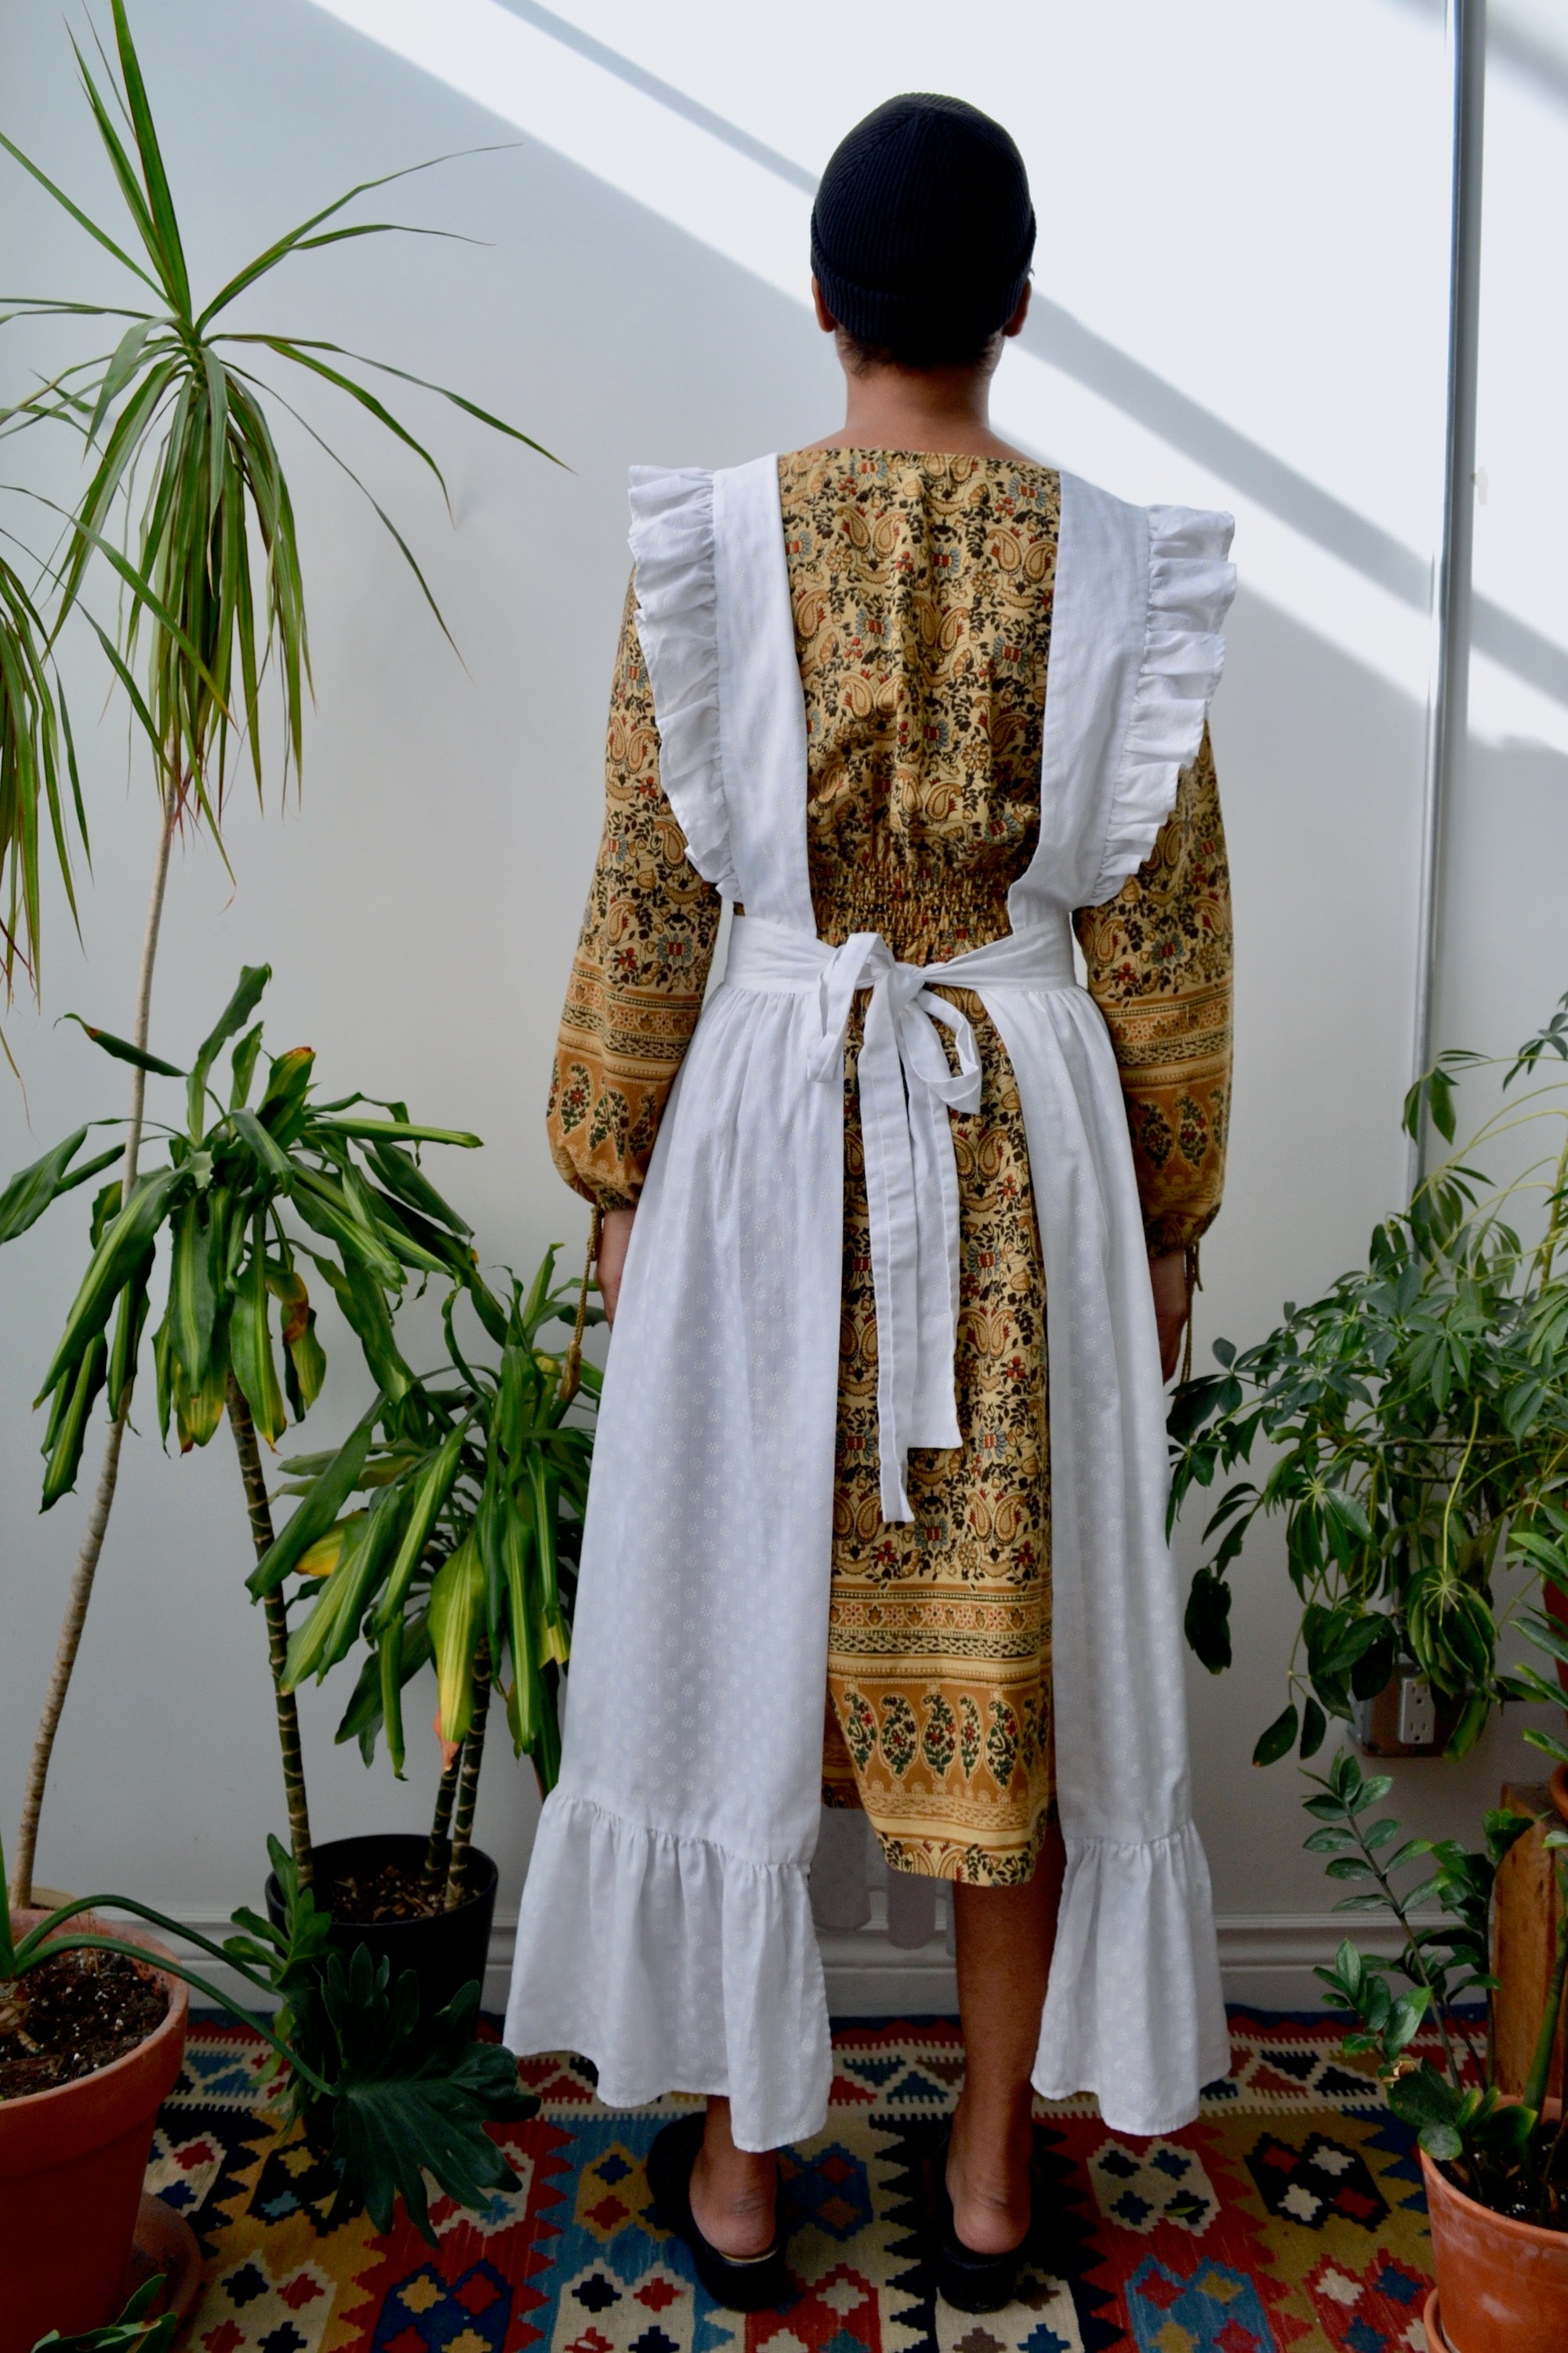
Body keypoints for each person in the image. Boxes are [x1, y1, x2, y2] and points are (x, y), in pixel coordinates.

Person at [506, 92, 1234, 2315]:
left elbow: (650, 897)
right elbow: (1167, 944)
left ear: (823, 297)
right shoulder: (1114, 572)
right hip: (1023, 1152)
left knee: (745, 1638)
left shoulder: (719, 555)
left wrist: (611, 1162)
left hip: (754, 1151)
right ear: (1017, 307)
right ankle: (992, 2174)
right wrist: (1170, 1210)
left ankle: (743, 2170)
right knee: (1004, 1674)